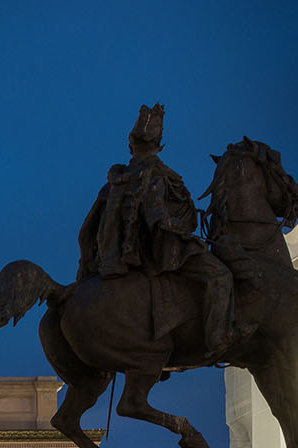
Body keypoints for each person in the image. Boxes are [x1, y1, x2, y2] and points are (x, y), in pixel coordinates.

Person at [76, 103, 252, 360]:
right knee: (221, 276)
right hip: (165, 250)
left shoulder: (115, 181)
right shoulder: (156, 175)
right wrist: (178, 228)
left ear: (130, 147)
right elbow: (157, 215)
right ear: (159, 146)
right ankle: (218, 336)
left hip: (127, 257)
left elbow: (87, 230)